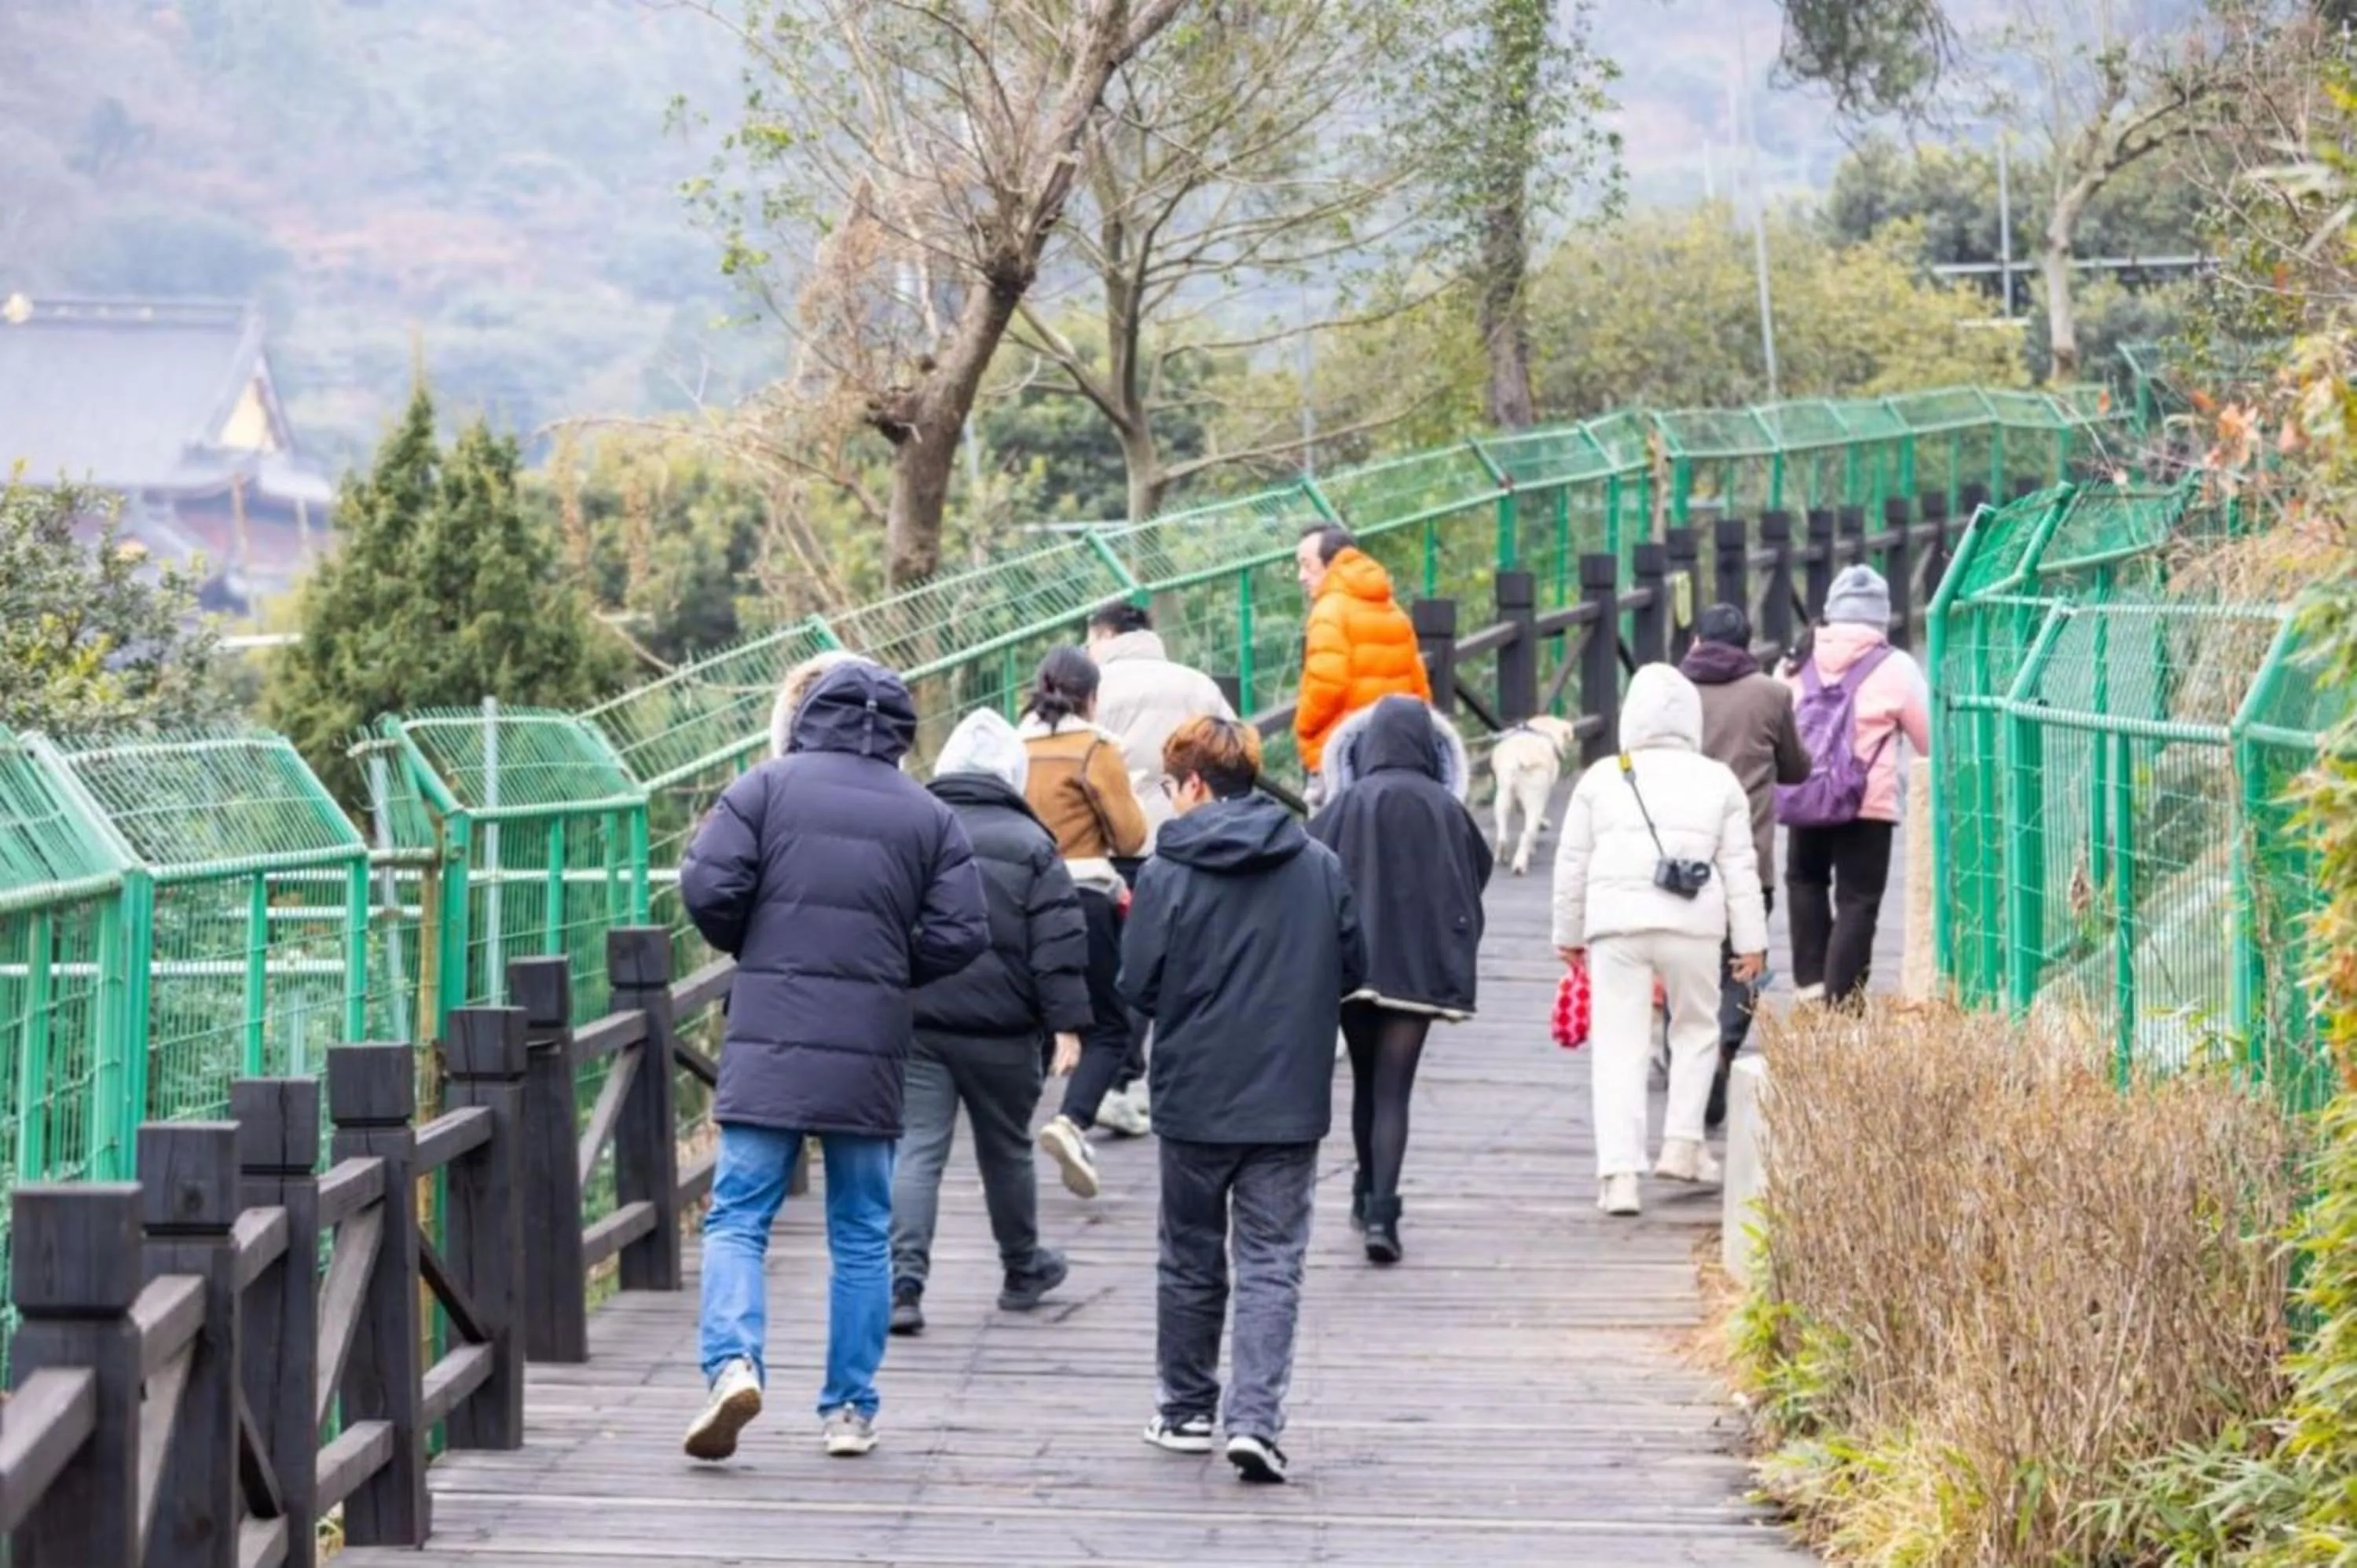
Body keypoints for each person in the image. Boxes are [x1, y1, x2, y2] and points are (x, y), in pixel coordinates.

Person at [678, 656, 989, 1461]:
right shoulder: (927, 814)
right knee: (861, 1228)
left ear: (808, 714)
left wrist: (757, 939)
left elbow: (708, 886)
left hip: (771, 1032)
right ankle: (848, 1409)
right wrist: (891, 966)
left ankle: (734, 1363)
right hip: (870, 1041)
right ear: (897, 729)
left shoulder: (764, 789)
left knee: (740, 1215)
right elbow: (963, 929)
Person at [1122, 716, 1365, 1485]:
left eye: (1170, 786)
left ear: (1195, 784)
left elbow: (1138, 985)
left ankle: (1187, 1409)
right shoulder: (1318, 863)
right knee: (1271, 1260)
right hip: (1287, 1095)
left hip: (1194, 1093)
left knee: (1189, 1254)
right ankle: (1256, 1421)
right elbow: (1354, 964)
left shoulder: (1165, 872)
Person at [889, 708, 1091, 1339]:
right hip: (1005, 1029)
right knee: (1006, 1150)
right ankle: (1020, 1269)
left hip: (919, 1020)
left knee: (917, 1149)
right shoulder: (1033, 844)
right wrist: (1068, 1025)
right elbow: (1057, 944)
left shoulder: (913, 833)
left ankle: (902, 1284)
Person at [1551, 664, 1768, 1219]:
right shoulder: (1717, 779)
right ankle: (1680, 1143)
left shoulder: (1602, 776)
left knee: (1618, 1047)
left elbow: (1572, 864)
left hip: (1616, 927)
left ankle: (1619, 1177)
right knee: (1696, 1028)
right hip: (1694, 925)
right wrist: (1752, 943)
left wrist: (1568, 934)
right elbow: (1742, 867)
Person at [1309, 695, 1491, 1265]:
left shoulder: (1348, 803)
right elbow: (1477, 871)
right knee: (1394, 1087)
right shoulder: (1445, 807)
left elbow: (1309, 862)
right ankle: (1383, 1209)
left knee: (1363, 1081)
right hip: (1418, 968)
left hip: (1354, 967)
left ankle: (1365, 1193)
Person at [1084, 599, 1235, 1134]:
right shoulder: (1196, 685)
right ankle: (1163, 1076)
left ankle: (1116, 1076)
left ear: (1103, 636)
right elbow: (1233, 749)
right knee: (1180, 955)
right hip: (1186, 837)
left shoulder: (1096, 683)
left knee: (1125, 960)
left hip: (1114, 841)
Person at [1018, 646, 1151, 1199]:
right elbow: (1131, 837)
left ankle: (1006, 1136)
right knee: (1111, 1024)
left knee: (1030, 1019)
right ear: (1092, 698)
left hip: (1018, 896)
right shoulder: (1094, 748)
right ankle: (1071, 1120)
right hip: (1083, 893)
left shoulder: (1011, 745)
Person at [1678, 603, 1809, 1129]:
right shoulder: (1771, 695)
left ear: (1696, 643)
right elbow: (1797, 769)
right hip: (1747, 859)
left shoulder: (1673, 693)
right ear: (1749, 645)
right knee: (1742, 964)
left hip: (1679, 858)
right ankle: (1724, 1050)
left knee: (1686, 962)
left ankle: (1690, 1056)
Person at [1780, 565, 1931, 1006]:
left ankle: (1810, 986)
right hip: (1868, 803)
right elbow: (1929, 741)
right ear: (1882, 618)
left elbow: (1777, 725)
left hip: (1804, 792)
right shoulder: (1896, 666)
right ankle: (1842, 1003)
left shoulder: (1795, 659)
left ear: (1830, 612)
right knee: (1858, 900)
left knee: (1804, 880)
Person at [1292, 524, 1431, 793]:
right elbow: (1419, 686)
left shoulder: (1329, 611)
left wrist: (1303, 726)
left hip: (1344, 755)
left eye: (1307, 565)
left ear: (1332, 563)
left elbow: (1327, 685)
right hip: (1398, 755)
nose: (1301, 576)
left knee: (1331, 833)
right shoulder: (1392, 609)